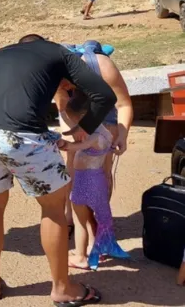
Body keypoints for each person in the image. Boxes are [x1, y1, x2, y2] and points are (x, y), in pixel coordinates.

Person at [0, 33, 116, 304]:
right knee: (53, 209)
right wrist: (83, 129)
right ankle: (62, 288)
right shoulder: (58, 53)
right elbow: (104, 94)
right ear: (43, 43)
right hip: (21, 133)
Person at [55, 40, 132, 265]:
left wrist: (122, 135)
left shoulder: (102, 67)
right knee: (74, 167)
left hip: (104, 111)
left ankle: (96, 227)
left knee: (102, 171)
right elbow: (62, 108)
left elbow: (124, 104)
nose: (65, 88)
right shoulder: (57, 82)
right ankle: (79, 220)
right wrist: (72, 132)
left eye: (67, 85)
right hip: (74, 112)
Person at [59, 106, 130, 270]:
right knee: (93, 216)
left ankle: (80, 256)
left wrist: (59, 142)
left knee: (80, 221)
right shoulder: (106, 133)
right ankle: (96, 248)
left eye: (78, 122)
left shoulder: (93, 137)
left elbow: (70, 147)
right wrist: (63, 114)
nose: (77, 125)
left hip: (84, 181)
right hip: (97, 179)